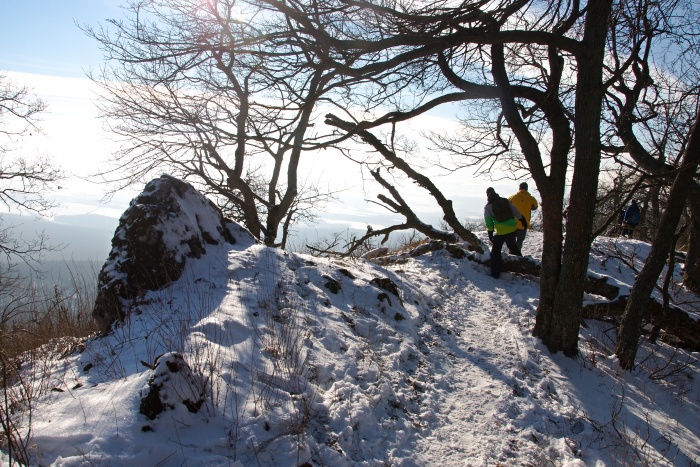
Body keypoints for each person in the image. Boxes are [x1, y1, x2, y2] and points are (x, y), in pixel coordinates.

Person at [484, 187, 524, 278]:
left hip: (501, 231)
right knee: (512, 244)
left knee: (496, 252)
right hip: (513, 228)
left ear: (487, 195)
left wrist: (490, 234)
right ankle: (522, 263)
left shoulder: (488, 207)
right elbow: (515, 211)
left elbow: (489, 222)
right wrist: (522, 219)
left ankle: (495, 273)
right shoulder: (505, 200)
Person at [508, 182, 539, 251]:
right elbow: (535, 207)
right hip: (524, 223)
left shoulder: (512, 197)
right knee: (520, 240)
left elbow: (506, 206)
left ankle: (511, 253)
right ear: (527, 189)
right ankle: (517, 253)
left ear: (519, 188)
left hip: (513, 222)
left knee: (511, 239)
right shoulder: (531, 199)